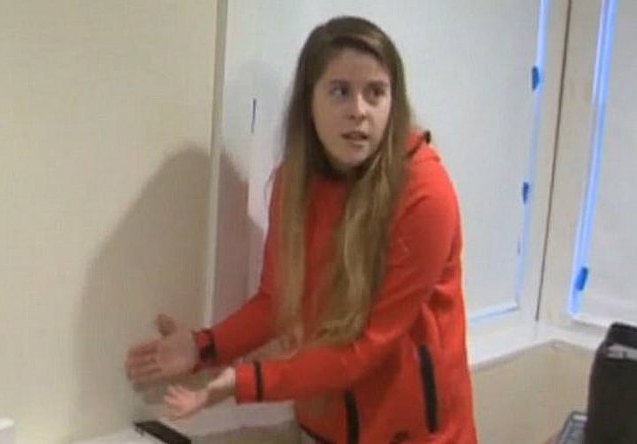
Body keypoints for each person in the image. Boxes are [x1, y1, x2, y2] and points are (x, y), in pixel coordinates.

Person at [126, 15, 478, 444]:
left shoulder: (424, 192)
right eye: (340, 91)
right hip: (321, 425)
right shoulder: (294, 181)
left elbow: (366, 347)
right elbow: (278, 301)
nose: (359, 110)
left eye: (375, 92)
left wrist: (240, 383)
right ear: (309, 101)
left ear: (394, 102)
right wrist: (203, 347)